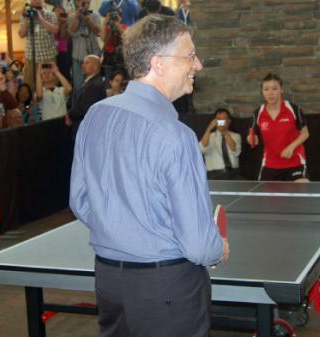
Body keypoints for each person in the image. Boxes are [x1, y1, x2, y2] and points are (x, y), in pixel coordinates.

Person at [70, 15, 228, 337]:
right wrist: (218, 248)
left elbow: (80, 201)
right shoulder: (177, 136)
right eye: (189, 56)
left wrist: (122, 232)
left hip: (109, 282)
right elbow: (199, 245)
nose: (197, 65)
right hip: (168, 288)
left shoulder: (95, 116)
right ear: (159, 63)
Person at [247, 73, 310, 182]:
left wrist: (291, 147)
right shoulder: (258, 113)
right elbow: (252, 135)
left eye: (274, 89)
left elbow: (305, 133)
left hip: (295, 162)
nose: (270, 93)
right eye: (266, 89)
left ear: (281, 89)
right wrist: (251, 139)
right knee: (265, 198)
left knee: (301, 192)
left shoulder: (294, 109)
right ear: (262, 92)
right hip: (270, 165)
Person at [18, 0, 59, 86]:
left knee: (49, 85)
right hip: (31, 58)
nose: (36, 1)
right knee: (29, 85)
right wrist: (26, 18)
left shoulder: (50, 14)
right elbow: (22, 34)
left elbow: (55, 30)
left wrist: (40, 18)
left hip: (48, 57)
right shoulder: (25, 15)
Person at [68, 0, 102, 99]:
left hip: (93, 54)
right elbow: (72, 32)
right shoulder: (72, 17)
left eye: (87, 3)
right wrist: (77, 17)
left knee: (93, 85)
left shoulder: (94, 16)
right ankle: (79, 110)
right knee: (78, 86)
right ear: (77, 2)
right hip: (78, 57)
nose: (85, 5)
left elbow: (98, 32)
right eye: (83, 3)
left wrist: (89, 21)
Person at [67, 54, 106, 140]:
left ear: (96, 66)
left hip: (85, 128)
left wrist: (70, 114)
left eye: (86, 63)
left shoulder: (94, 85)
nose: (82, 65)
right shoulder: (92, 82)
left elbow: (85, 108)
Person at [199, 108, 242, 180]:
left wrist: (225, 131)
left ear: (229, 121)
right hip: (214, 174)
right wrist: (209, 128)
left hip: (233, 173)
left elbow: (235, 150)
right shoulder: (209, 136)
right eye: (218, 119)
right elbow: (202, 148)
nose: (221, 121)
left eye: (224, 119)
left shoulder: (236, 136)